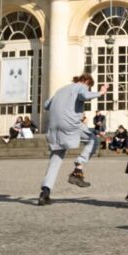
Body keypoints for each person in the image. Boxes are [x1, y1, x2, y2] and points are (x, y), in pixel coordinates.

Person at [37, 74, 108, 205]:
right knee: (93, 139)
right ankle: (78, 170)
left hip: (53, 127)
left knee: (56, 158)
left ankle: (45, 192)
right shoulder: (81, 86)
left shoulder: (61, 90)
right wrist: (101, 92)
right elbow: (84, 96)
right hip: (69, 124)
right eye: (89, 86)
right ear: (86, 81)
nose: (88, 88)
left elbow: (47, 105)